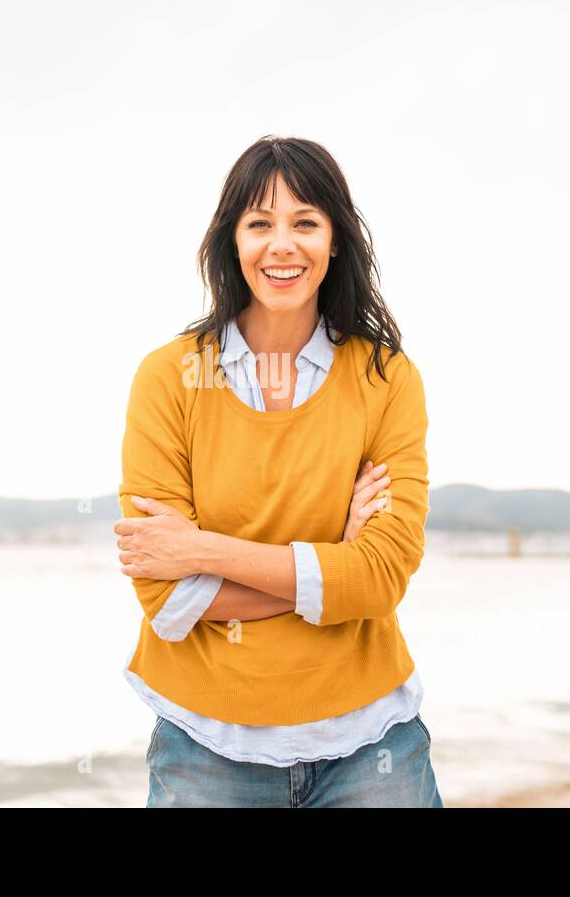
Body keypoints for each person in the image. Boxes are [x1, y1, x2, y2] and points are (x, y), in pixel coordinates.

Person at [114, 135, 442, 807]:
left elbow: (381, 579)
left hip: (371, 743)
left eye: (305, 223)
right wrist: (333, 567)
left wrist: (201, 550)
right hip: (205, 745)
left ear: (336, 241)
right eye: (259, 223)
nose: (281, 245)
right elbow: (168, 601)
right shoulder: (169, 378)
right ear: (231, 241)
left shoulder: (386, 379)